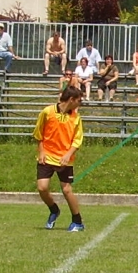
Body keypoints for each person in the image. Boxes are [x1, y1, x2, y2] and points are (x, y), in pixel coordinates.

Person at [34, 85, 85, 232]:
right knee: (42, 188)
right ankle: (54, 210)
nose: (80, 104)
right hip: (47, 156)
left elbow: (77, 140)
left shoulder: (76, 118)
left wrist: (68, 154)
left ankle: (77, 222)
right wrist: (42, 151)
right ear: (71, 99)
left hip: (65, 159)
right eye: (79, 101)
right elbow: (38, 133)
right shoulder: (47, 112)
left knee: (67, 189)